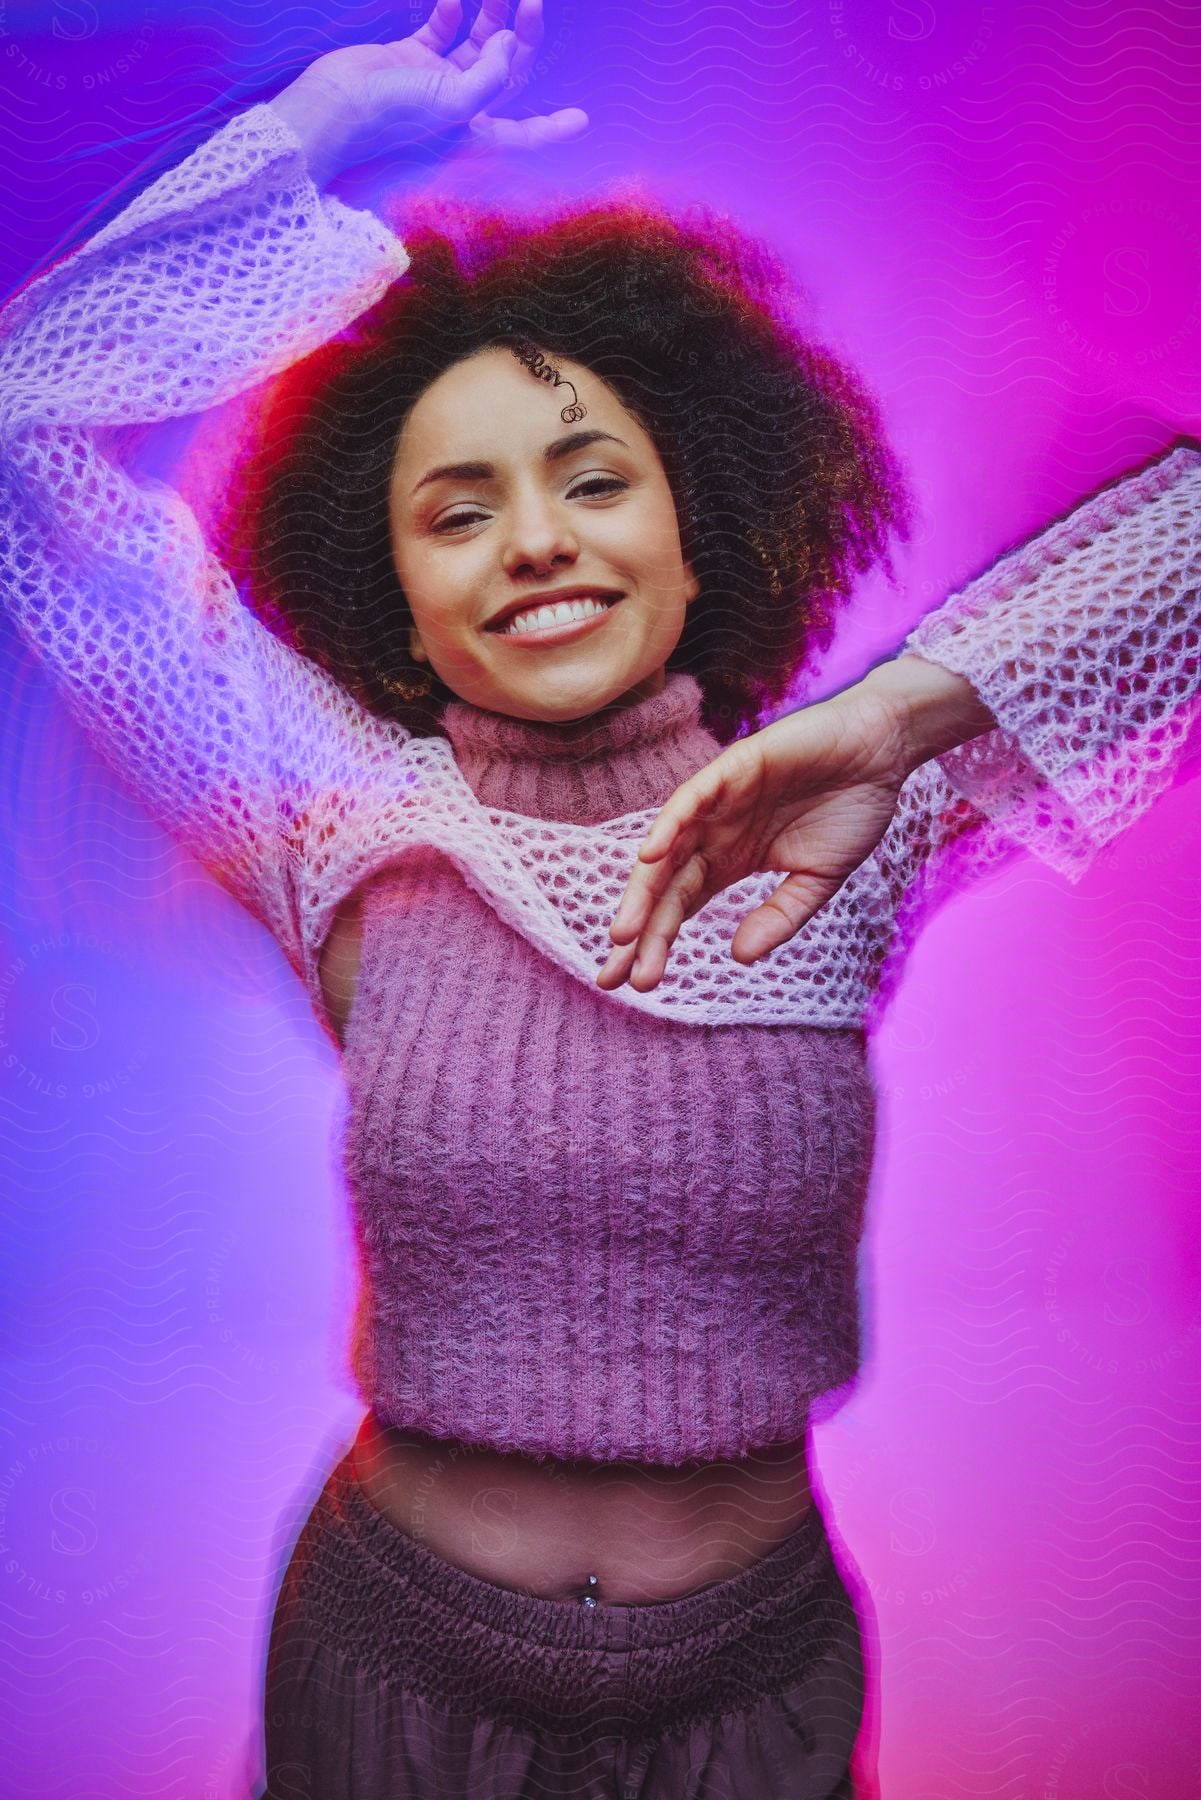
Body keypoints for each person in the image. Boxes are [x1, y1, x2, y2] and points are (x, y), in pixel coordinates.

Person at [1, 1, 1198, 1795]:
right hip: (396, 1667)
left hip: (756, 1685)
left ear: (694, 522)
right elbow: (27, 443)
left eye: (590, 479)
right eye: (457, 510)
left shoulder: (843, 807)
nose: (538, 541)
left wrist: (900, 711)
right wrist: (323, 134)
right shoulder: (330, 815)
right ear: (391, 597)